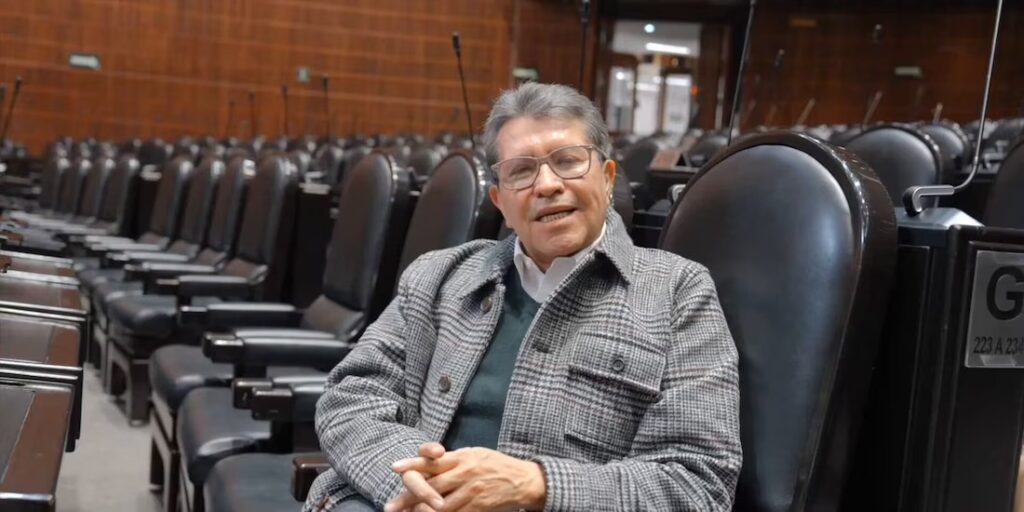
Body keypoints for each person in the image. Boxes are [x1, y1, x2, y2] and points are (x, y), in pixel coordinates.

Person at [304, 82, 741, 512]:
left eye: (568, 161)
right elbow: (351, 397)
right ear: (500, 202)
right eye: (521, 171)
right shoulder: (438, 276)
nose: (547, 185)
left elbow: (697, 481)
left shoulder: (678, 293)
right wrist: (417, 485)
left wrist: (536, 485)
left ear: (607, 178)